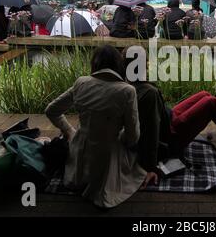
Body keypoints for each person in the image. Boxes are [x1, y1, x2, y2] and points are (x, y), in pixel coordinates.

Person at [123, 50, 216, 178]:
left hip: (169, 118)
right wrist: (150, 167)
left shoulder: (131, 84)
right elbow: (151, 130)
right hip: (171, 135)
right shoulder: (148, 92)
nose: (149, 66)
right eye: (146, 63)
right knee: (211, 103)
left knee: (204, 94)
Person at [45, 45, 151, 208]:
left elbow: (51, 110)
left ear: (94, 64)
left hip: (80, 155)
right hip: (108, 157)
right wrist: (122, 139)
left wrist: (69, 131)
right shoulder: (127, 91)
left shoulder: (81, 83)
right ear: (119, 65)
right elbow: (133, 137)